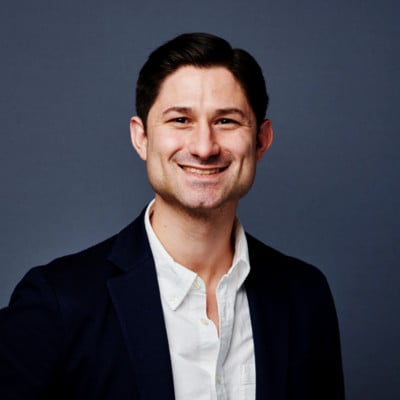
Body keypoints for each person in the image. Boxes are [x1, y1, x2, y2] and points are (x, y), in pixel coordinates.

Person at [0, 33, 344, 399]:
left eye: (226, 121)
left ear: (261, 140)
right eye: (180, 119)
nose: (204, 147)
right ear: (141, 138)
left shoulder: (305, 297)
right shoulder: (57, 301)